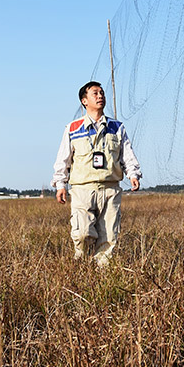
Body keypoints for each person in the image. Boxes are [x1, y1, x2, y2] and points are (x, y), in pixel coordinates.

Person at [51, 81, 141, 266]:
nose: (100, 96)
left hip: (110, 189)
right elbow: (63, 159)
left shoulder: (117, 127)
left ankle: (102, 274)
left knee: (109, 236)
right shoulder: (73, 128)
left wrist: (133, 174)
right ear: (84, 101)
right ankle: (82, 264)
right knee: (83, 233)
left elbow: (127, 154)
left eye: (102, 93)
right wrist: (60, 184)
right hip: (83, 189)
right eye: (95, 93)